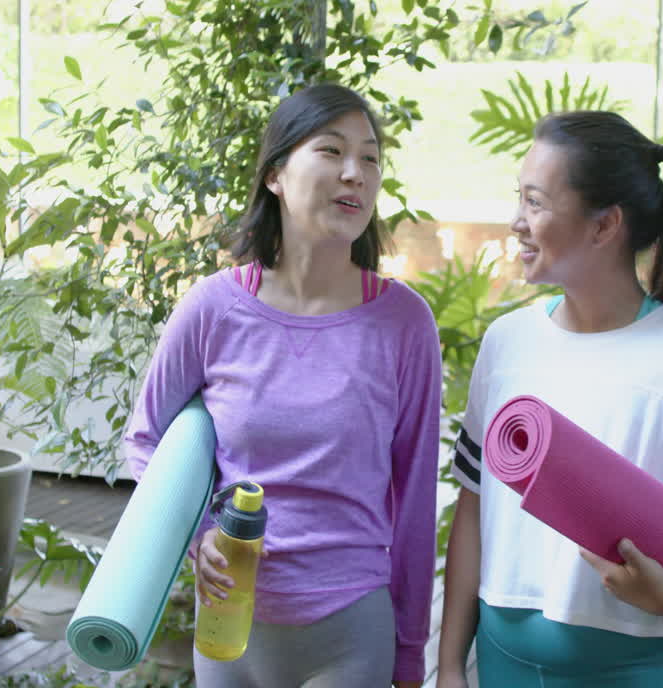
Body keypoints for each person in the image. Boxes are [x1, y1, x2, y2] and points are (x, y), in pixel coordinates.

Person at [436, 111, 663, 687]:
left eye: (535, 203)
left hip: (635, 671)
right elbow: (474, 506)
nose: (516, 222)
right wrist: (449, 667)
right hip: (501, 665)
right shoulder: (507, 343)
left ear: (604, 225)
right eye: (520, 198)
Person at [123, 84, 441, 688]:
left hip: (351, 630)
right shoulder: (213, 308)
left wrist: (410, 650)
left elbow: (416, 498)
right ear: (275, 175)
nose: (355, 174)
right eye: (332, 151)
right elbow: (145, 440)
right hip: (228, 629)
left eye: (370, 158)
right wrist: (198, 537)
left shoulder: (404, 323)